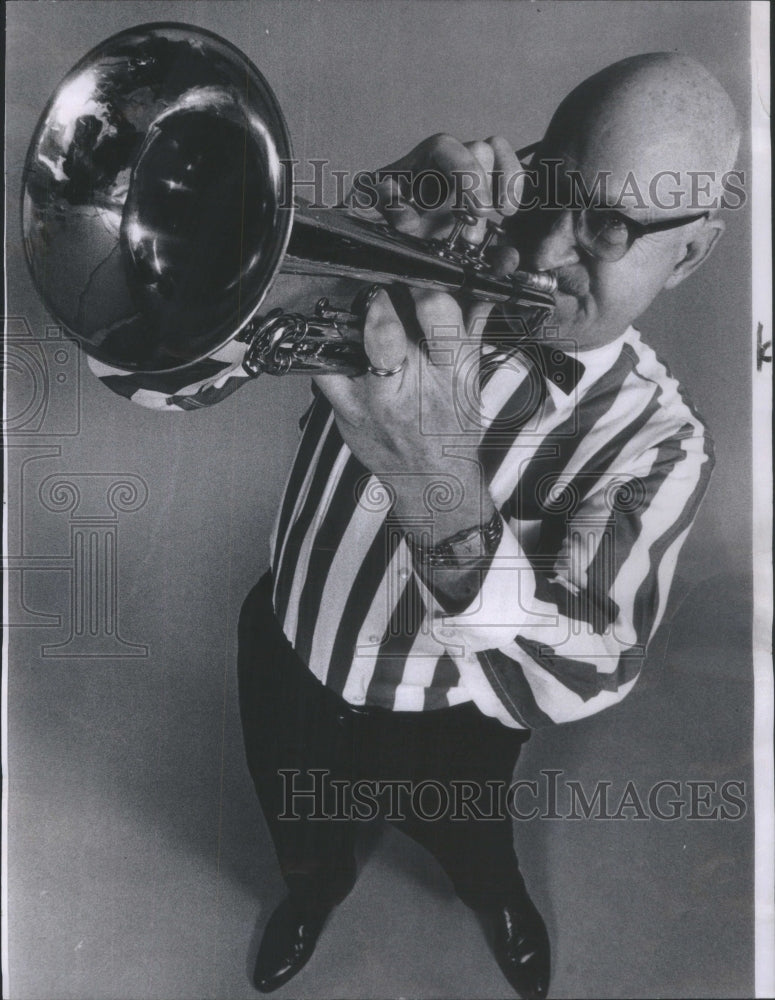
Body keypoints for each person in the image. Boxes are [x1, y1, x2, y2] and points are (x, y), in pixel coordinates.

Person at [88, 52, 740, 1000]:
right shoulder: (414, 272)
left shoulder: (660, 447)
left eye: (606, 226)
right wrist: (335, 253)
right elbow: (151, 372)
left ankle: (497, 901)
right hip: (289, 645)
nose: (549, 249)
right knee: (298, 833)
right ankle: (312, 896)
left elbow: (581, 670)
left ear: (688, 253)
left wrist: (435, 481)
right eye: (548, 187)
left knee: (473, 844)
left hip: (451, 719)